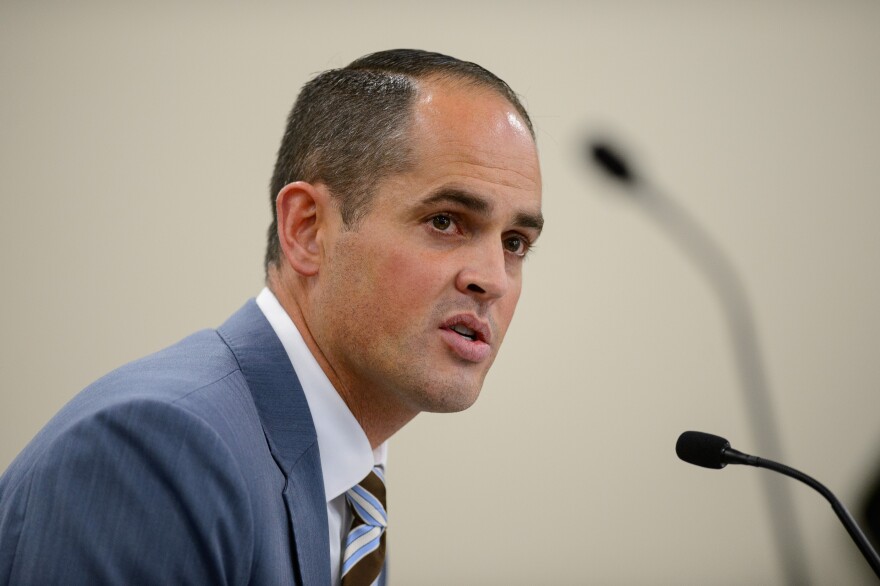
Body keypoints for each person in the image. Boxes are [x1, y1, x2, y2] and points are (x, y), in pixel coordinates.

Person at [0, 48, 543, 585]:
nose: (492, 278)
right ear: (307, 229)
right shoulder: (159, 451)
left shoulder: (350, 483)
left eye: (516, 242)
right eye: (446, 221)